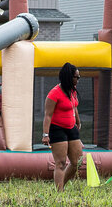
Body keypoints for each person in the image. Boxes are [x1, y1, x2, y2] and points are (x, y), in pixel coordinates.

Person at [42, 62, 84, 192]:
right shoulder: (54, 93)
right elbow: (48, 115)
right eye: (76, 77)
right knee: (60, 163)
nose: (78, 79)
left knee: (77, 162)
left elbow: (74, 106)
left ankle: (60, 187)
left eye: (79, 77)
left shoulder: (72, 91)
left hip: (71, 128)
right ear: (69, 77)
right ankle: (59, 193)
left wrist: (78, 121)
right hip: (57, 129)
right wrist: (45, 135)